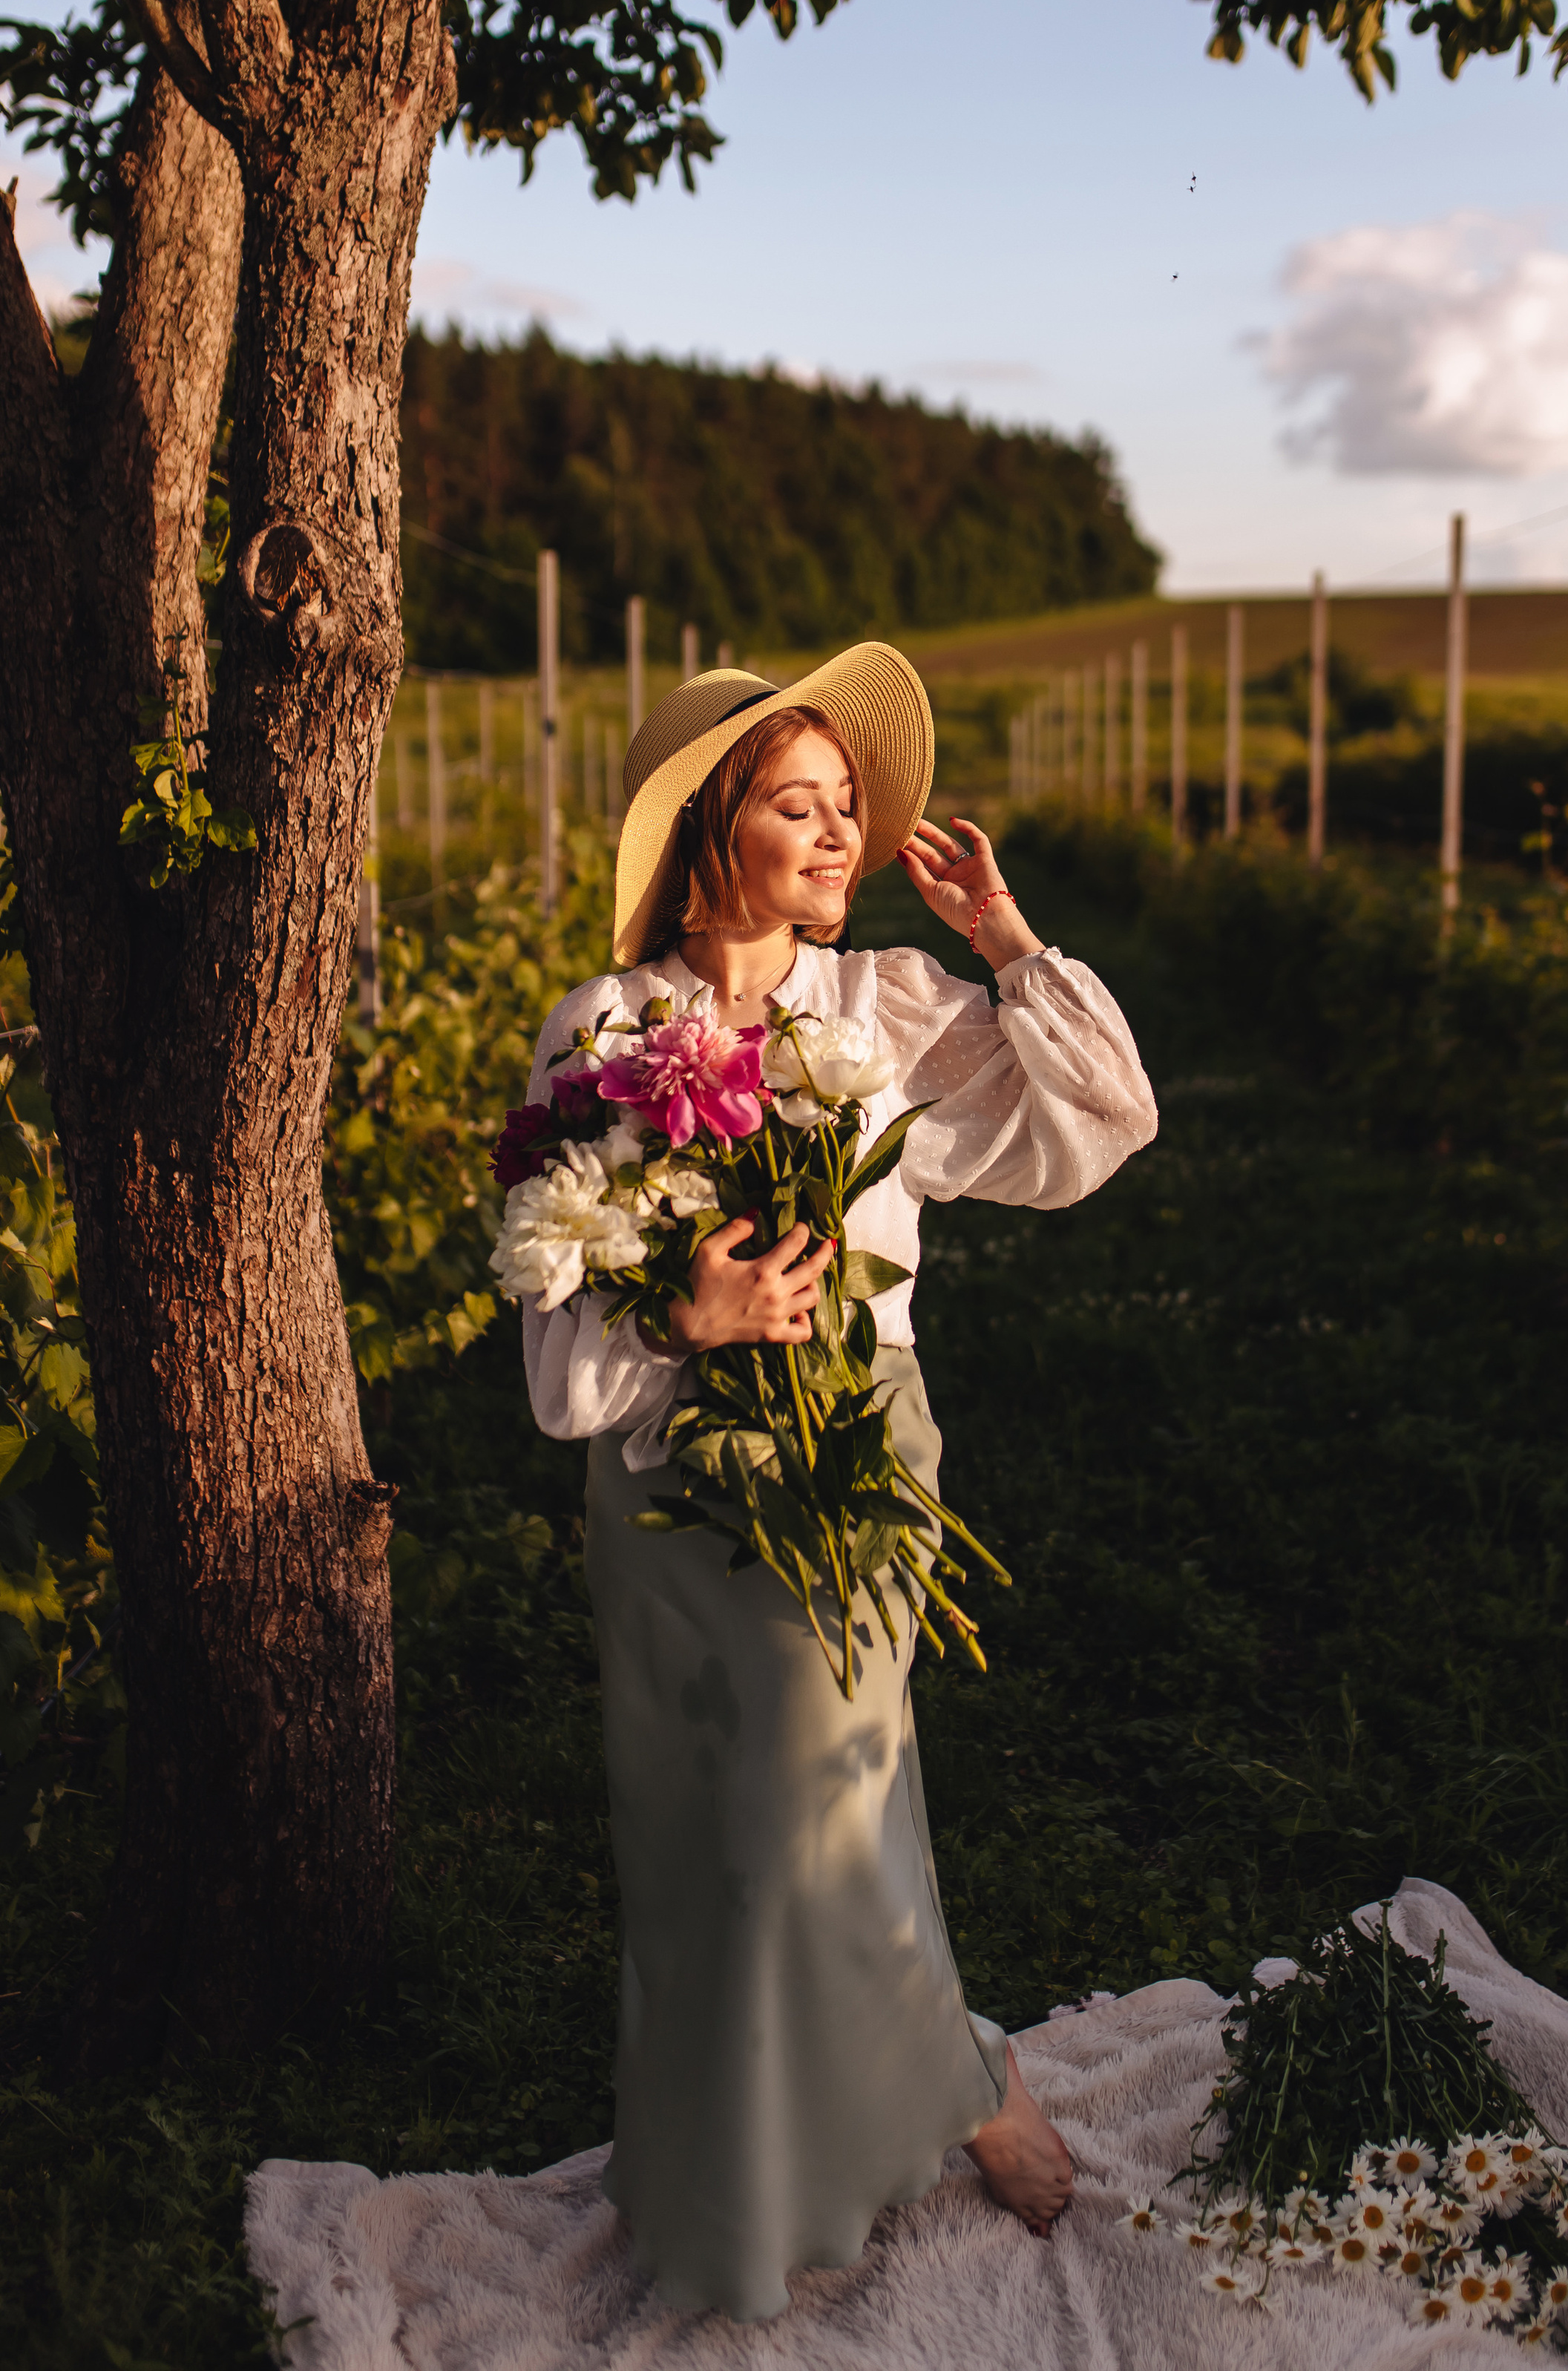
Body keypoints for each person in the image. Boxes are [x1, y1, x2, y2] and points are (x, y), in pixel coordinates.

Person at [519, 642, 1157, 2321]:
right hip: (669, 1490)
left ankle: (961, 2077)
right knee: (709, 1841)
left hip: (859, 1447)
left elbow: (1105, 1123)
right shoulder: (605, 1032)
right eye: (794, 806)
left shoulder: (872, 1010)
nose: (837, 833)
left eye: (844, 806)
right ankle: (742, 2187)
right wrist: (688, 1312)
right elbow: (563, 1374)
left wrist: (1005, 945)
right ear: (710, 833)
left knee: (837, 1799)